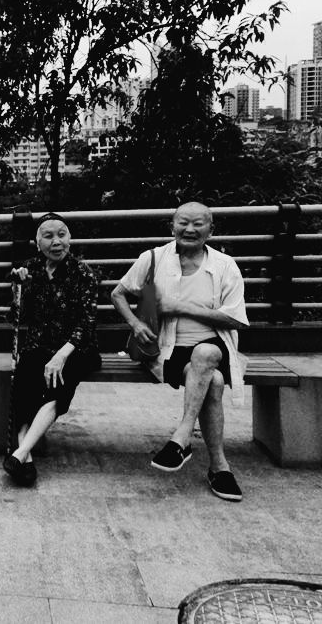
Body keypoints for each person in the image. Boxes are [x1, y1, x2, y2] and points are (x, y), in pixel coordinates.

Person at [111, 202, 248, 502]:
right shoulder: (154, 258)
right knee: (212, 382)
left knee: (206, 353)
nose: (190, 229)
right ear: (171, 226)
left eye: (198, 223)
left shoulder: (225, 265)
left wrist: (180, 307)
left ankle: (182, 437)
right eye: (183, 222)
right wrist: (135, 324)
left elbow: (235, 319)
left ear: (211, 230)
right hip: (167, 351)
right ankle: (219, 467)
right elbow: (118, 294)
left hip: (216, 345)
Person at [3, 213, 100, 486]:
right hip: (39, 345)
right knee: (23, 388)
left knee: (58, 387)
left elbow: (87, 322)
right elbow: (16, 318)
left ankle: (20, 452)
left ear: (70, 238)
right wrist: (19, 288)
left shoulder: (84, 273)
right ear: (38, 243)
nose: (56, 241)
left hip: (76, 349)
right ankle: (25, 459)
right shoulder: (30, 269)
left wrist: (62, 354)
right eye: (48, 236)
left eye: (62, 234)